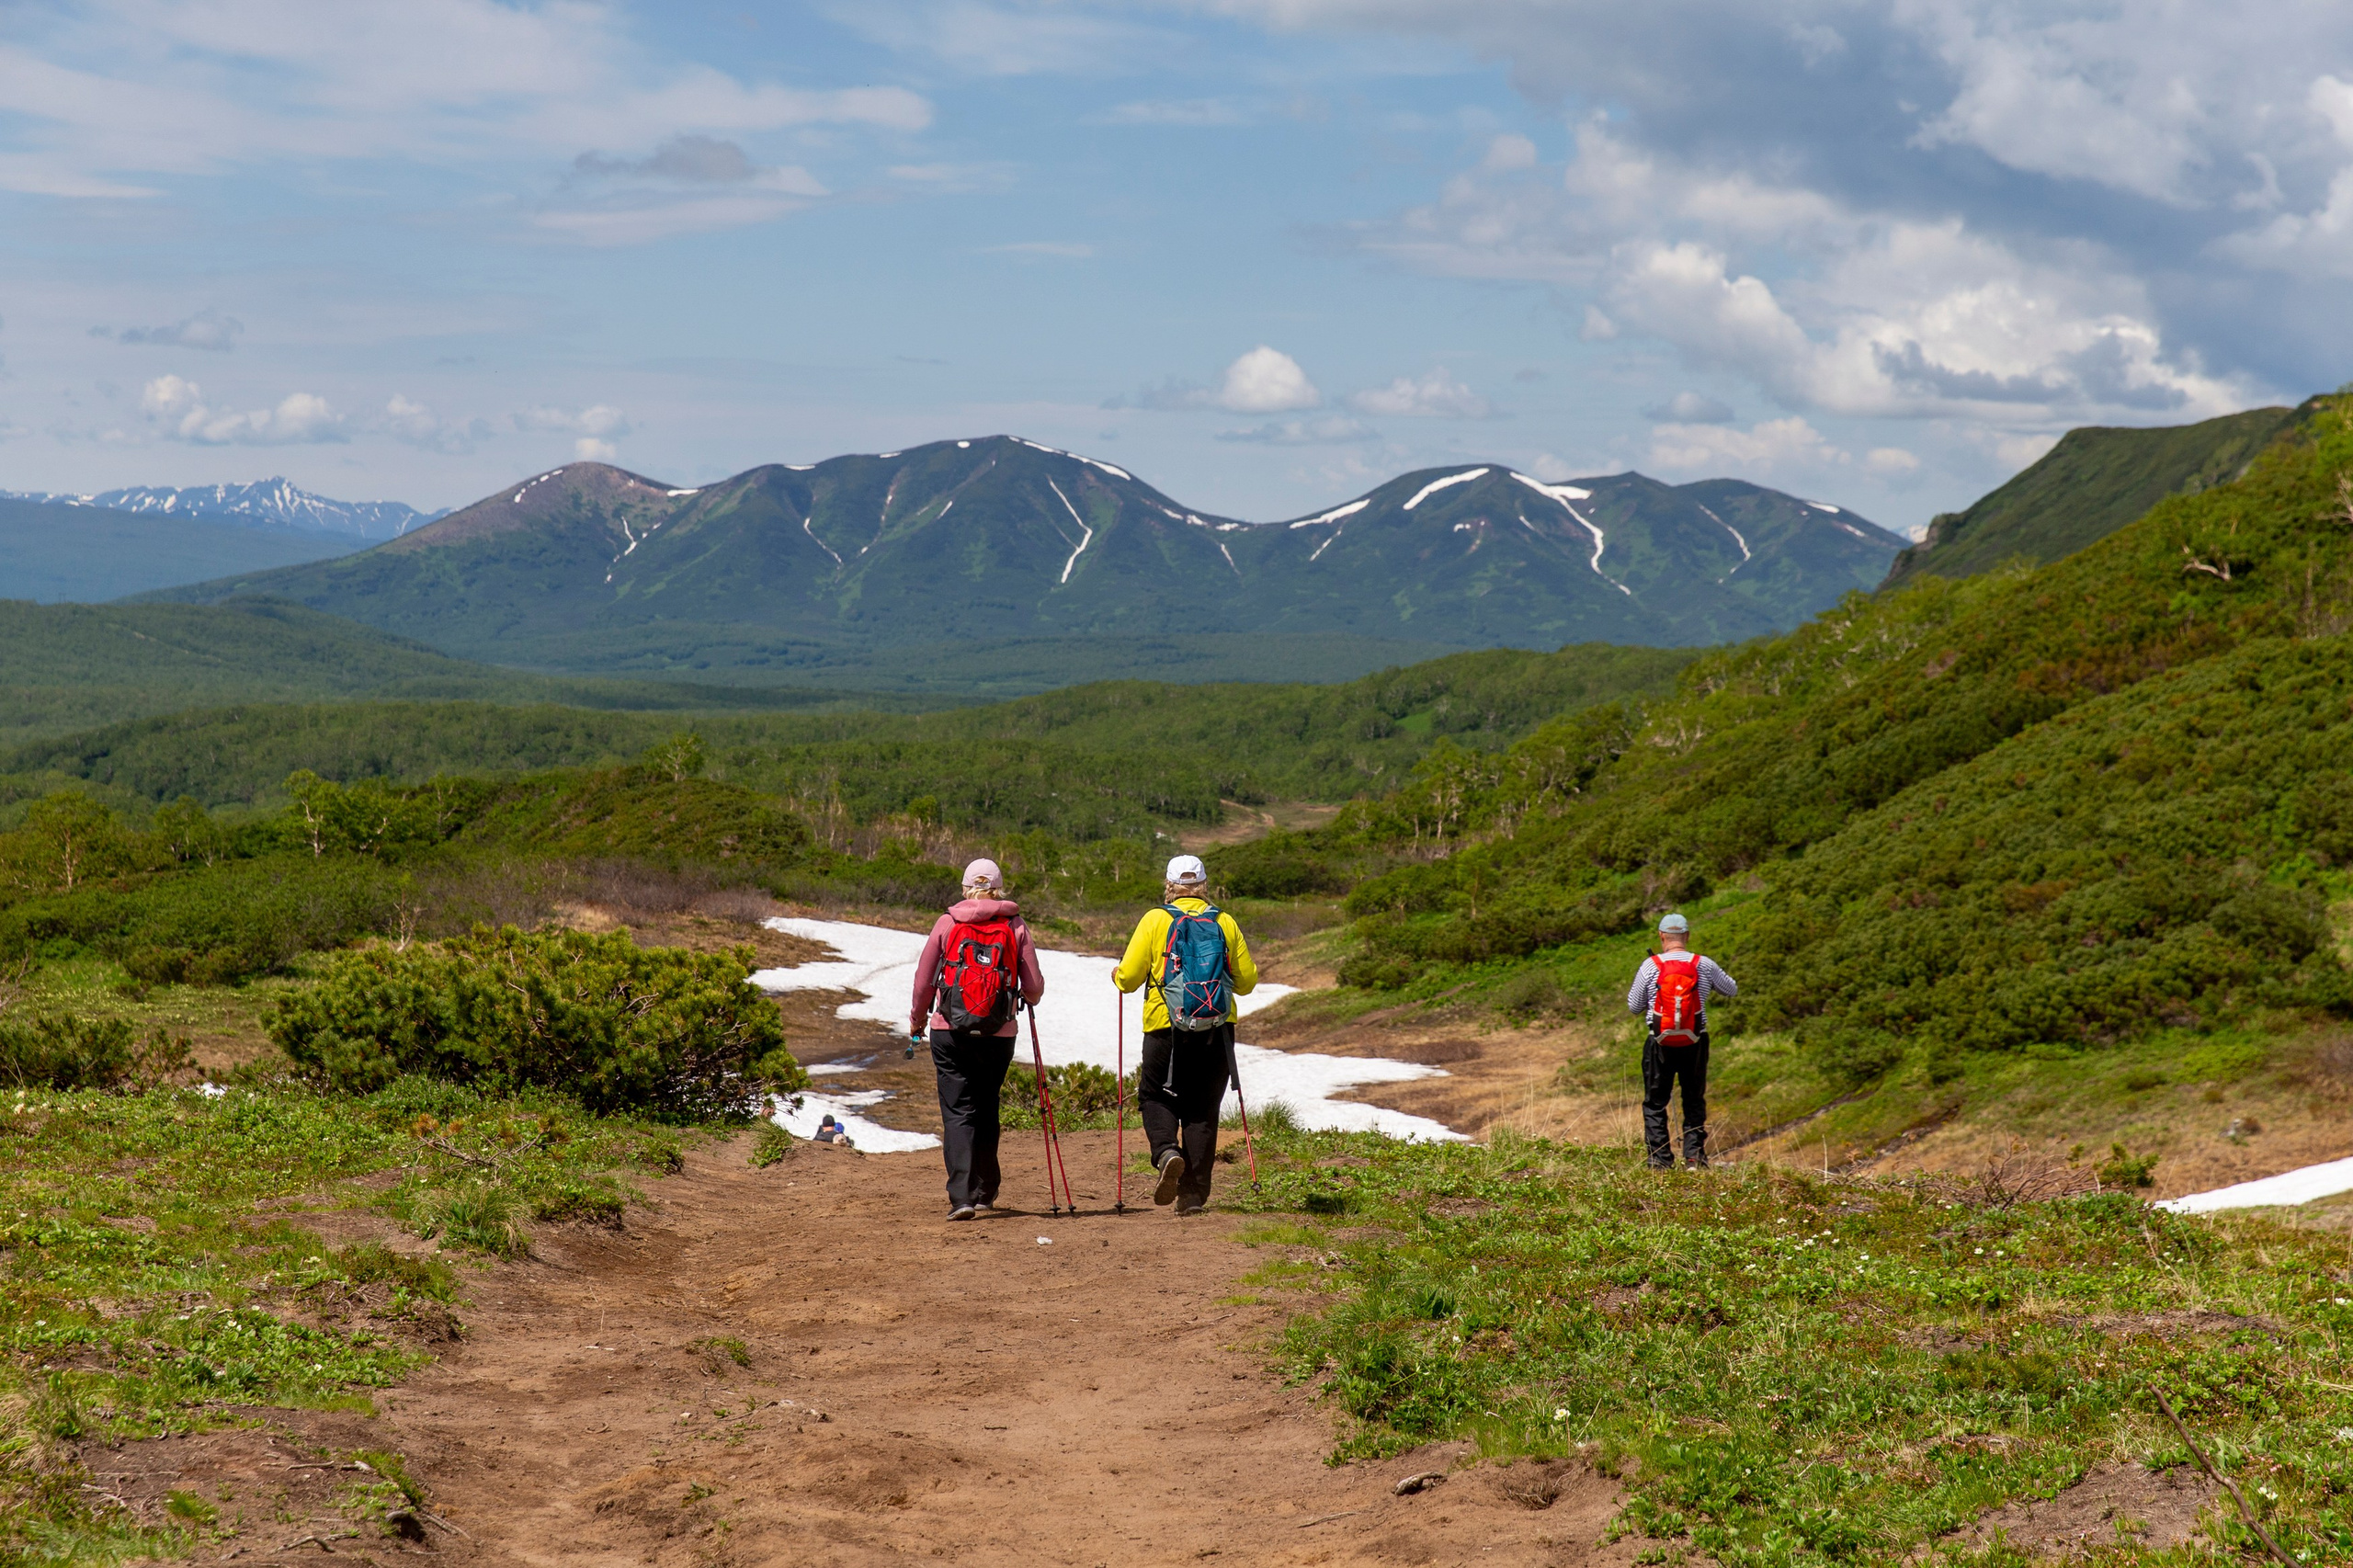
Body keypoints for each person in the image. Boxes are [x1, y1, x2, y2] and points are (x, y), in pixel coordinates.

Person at [1113, 854, 1259, 1215]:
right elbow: (1247, 982)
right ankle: (1192, 1196)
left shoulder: (1154, 920)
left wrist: (1118, 975)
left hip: (1166, 1026)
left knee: (1155, 1096)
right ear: (1204, 885)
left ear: (1169, 885)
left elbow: (1129, 979)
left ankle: (1166, 1152)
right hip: (1217, 1029)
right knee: (1203, 1110)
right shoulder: (1224, 921)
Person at [909, 858, 1045, 1221]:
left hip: (949, 1030)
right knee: (986, 1105)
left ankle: (961, 1197)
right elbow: (1033, 989)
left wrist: (917, 1021)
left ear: (966, 886)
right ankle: (986, 1191)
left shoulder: (948, 922)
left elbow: (924, 982)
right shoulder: (1015, 925)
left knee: (958, 1111)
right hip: (998, 1034)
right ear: (999, 888)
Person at [1626, 913, 1736, 1170]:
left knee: (1655, 1102)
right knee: (1694, 1099)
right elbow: (1731, 989)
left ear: (1661, 936)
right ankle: (1695, 1157)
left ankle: (1660, 1160)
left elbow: (1634, 1006)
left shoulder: (1650, 965)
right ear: (1686, 936)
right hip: (1695, 1041)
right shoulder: (1703, 964)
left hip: (1660, 1042)